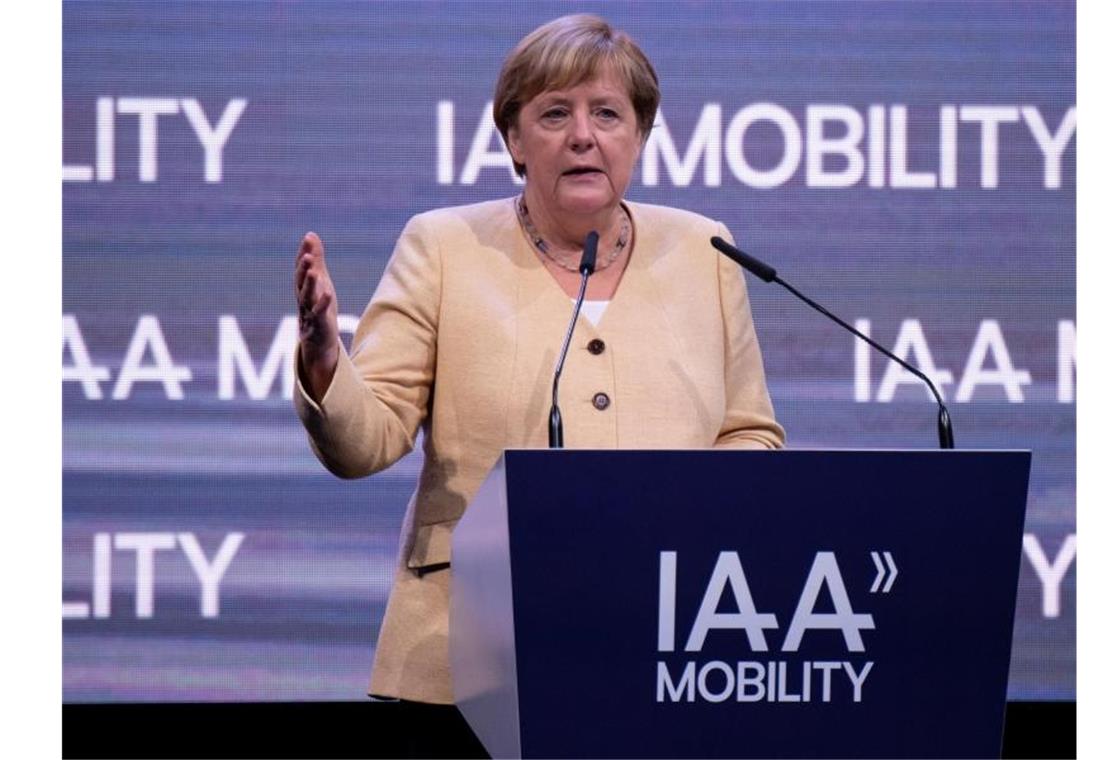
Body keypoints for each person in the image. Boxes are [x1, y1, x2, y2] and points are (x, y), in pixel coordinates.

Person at [293, 14, 785, 707]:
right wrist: (323, 362)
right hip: (463, 658)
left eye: (608, 113)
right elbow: (366, 442)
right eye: (555, 113)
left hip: (667, 649)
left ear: (639, 136)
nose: (583, 135)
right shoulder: (443, 246)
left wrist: (687, 519)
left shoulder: (705, 251)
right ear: (515, 140)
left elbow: (750, 433)